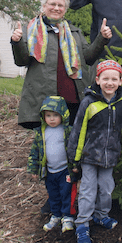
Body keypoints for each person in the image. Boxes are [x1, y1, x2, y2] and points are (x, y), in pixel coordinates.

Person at [11, 0, 112, 130]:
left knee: (73, 145)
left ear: (65, 9)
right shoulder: (31, 30)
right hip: (45, 102)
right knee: (49, 147)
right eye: (52, 4)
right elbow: (22, 61)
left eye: (61, 5)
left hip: (73, 100)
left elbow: (88, 58)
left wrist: (102, 38)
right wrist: (17, 42)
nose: (56, 8)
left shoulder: (74, 32)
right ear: (44, 6)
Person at [67, 60, 122, 243]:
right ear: (97, 80)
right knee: (88, 190)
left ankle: (101, 215)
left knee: (107, 189)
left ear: (120, 81)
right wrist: (75, 157)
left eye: (114, 79)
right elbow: (78, 130)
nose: (110, 83)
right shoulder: (89, 102)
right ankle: (82, 224)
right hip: (89, 156)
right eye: (105, 78)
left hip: (111, 156)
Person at [27, 95, 78, 233]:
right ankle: (56, 215)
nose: (52, 119)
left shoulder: (68, 131)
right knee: (53, 194)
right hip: (50, 171)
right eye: (48, 115)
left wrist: (75, 166)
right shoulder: (41, 132)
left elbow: (75, 149)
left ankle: (67, 217)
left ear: (63, 114)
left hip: (64, 171)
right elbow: (35, 151)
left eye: (55, 115)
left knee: (66, 193)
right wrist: (33, 169)